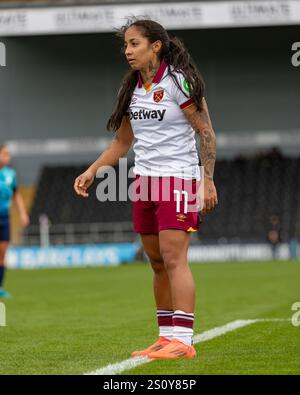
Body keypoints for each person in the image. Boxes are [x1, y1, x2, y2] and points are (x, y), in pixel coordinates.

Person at [74, 18, 218, 359]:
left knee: (173, 258)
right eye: (125, 45)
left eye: (134, 43)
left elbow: (206, 133)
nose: (127, 51)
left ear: (156, 45)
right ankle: (166, 335)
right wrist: (93, 170)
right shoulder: (132, 89)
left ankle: (183, 341)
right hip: (144, 183)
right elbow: (122, 142)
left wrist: (207, 181)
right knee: (155, 262)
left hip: (178, 178)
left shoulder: (178, 82)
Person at [0, 144, 30, 298]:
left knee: (2, 254)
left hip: (4, 218)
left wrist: (23, 213)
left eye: (8, 154)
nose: (7, 157)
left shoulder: (10, 174)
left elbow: (16, 195)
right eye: (4, 153)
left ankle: (0, 287)